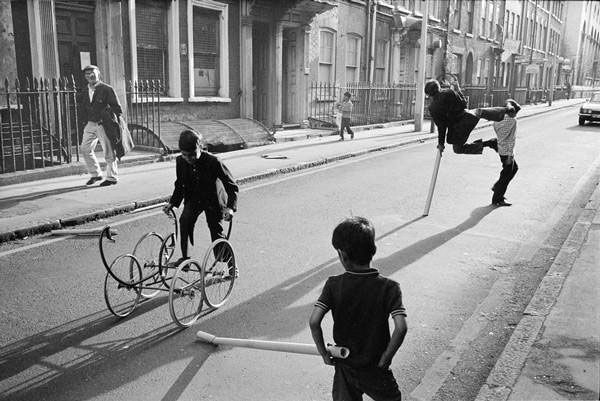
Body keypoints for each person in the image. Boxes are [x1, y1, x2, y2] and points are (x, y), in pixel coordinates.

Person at [309, 216, 408, 401]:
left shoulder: (333, 285)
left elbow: (314, 322)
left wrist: (324, 353)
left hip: (345, 367)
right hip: (375, 367)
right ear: (373, 250)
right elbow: (401, 327)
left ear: (342, 255)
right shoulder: (389, 288)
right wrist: (386, 357)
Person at [163, 130, 239, 265]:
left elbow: (231, 185)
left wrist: (230, 208)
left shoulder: (213, 161)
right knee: (185, 221)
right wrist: (173, 203)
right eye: (184, 154)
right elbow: (180, 184)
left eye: (192, 154)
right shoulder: (180, 161)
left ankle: (229, 263)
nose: (188, 158)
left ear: (200, 148)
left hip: (213, 200)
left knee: (216, 231)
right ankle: (185, 259)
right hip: (194, 198)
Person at [425, 78, 512, 155]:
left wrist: (441, 144)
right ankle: (506, 110)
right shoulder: (449, 92)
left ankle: (490, 143)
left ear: (429, 95)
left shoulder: (433, 108)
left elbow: (442, 127)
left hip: (458, 130)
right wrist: (458, 91)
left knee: (458, 149)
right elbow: (464, 104)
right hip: (468, 118)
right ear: (439, 87)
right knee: (480, 112)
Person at [79, 65, 122, 186]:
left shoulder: (107, 89)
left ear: (98, 73)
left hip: (103, 124)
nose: (89, 76)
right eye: (87, 74)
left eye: (92, 73)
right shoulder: (84, 90)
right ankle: (96, 174)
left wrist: (107, 116)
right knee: (85, 148)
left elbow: (117, 109)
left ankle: (112, 177)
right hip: (90, 123)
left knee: (108, 151)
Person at [491, 99, 521, 207]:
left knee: (514, 169)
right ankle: (497, 199)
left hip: (501, 148)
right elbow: (511, 139)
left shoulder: (496, 120)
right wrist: (510, 155)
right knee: (506, 175)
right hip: (507, 151)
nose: (516, 115)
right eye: (515, 112)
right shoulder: (513, 121)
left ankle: (497, 187)